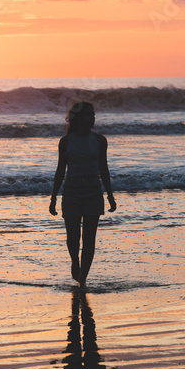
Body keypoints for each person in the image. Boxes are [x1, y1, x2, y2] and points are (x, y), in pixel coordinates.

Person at [49, 102, 115, 288]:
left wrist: (110, 195)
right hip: (71, 192)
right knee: (72, 237)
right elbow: (60, 170)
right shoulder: (66, 142)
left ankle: (82, 280)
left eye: (93, 114)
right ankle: (74, 262)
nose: (92, 118)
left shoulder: (100, 140)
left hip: (93, 191)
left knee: (89, 239)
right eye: (88, 115)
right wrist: (53, 197)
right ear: (78, 118)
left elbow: (104, 169)